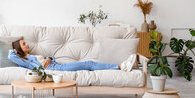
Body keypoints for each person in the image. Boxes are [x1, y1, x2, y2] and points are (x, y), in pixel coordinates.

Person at [8, 39, 136, 72]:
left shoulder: (32, 55)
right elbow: (10, 56)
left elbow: (51, 57)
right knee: (89, 64)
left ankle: (121, 66)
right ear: (18, 48)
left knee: (89, 64)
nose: (27, 44)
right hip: (54, 69)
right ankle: (121, 66)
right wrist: (13, 49)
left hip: (56, 65)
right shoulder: (24, 61)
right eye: (23, 44)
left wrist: (48, 58)